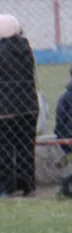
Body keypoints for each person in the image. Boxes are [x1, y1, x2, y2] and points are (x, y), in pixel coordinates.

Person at [0, 15, 38, 196]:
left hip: (4, 109)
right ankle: (26, 184)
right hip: (28, 107)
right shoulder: (27, 49)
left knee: (4, 148)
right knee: (26, 147)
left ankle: (4, 186)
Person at [55, 66, 72, 197]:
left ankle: (66, 182)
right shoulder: (65, 98)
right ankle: (67, 183)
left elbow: (59, 127)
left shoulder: (63, 98)